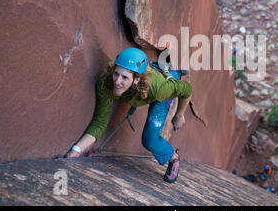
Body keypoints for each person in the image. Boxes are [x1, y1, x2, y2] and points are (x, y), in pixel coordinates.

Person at [66, 47, 192, 183]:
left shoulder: (160, 89)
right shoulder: (106, 81)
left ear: (137, 80)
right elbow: (99, 123)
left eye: (124, 77)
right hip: (141, 90)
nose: (117, 81)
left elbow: (187, 90)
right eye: (116, 73)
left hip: (159, 93)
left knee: (150, 140)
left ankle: (174, 158)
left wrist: (179, 115)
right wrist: (76, 150)